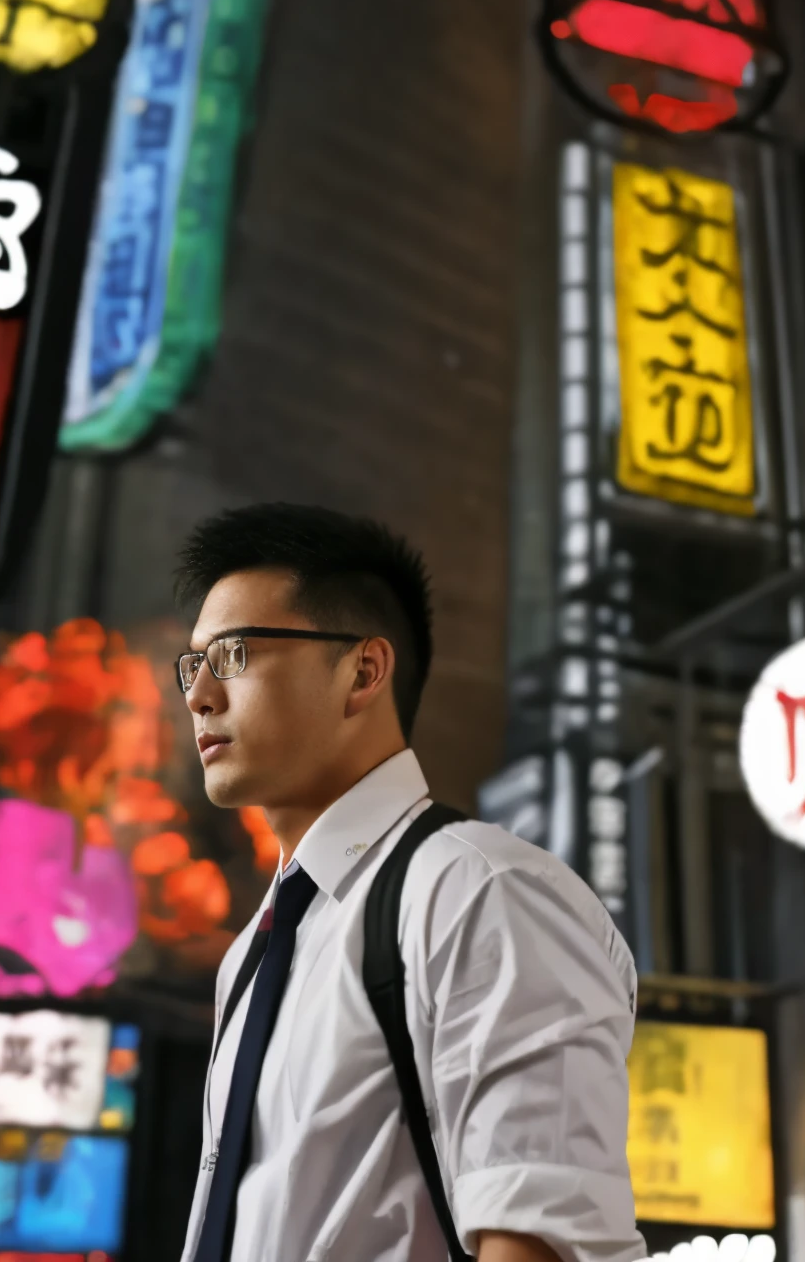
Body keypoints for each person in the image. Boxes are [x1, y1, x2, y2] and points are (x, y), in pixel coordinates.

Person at [174, 502, 643, 1262]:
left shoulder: (478, 892)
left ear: (363, 670)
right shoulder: (257, 951)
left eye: (232, 655)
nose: (199, 693)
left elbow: (541, 1236)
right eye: (193, 665)